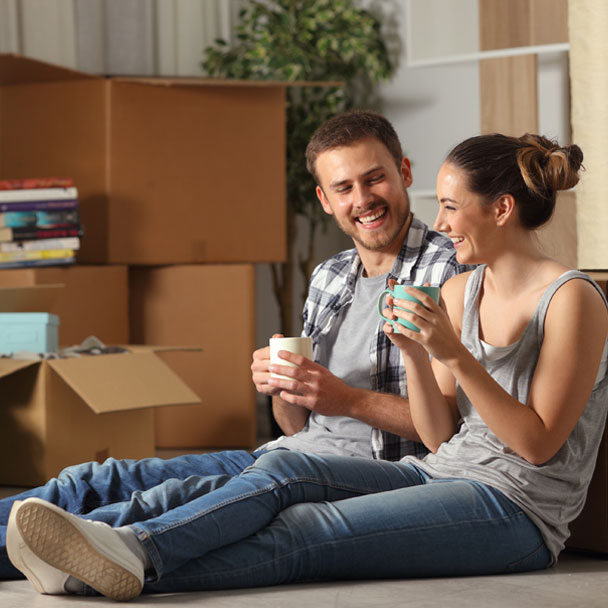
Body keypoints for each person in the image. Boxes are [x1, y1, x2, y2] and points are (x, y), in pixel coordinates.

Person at [7, 133, 607, 601]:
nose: (444, 223)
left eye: (452, 207)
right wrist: (416, 355)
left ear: (501, 208)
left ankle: (113, 566)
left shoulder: (571, 298)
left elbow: (536, 444)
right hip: (441, 471)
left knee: (307, 532)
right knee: (286, 477)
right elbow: (441, 435)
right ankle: (121, 550)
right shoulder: (462, 292)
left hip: (516, 511)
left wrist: (450, 353)